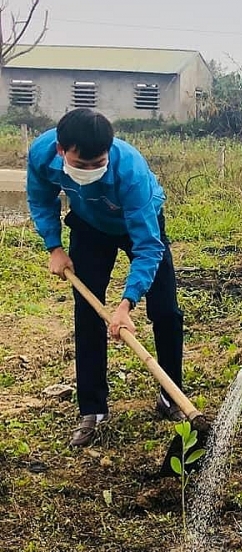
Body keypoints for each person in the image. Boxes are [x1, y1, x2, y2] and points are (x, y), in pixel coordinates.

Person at [26, 109, 185, 447]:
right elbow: (41, 198)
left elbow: (147, 247)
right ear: (60, 150)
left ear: (108, 152)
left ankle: (171, 396)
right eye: (80, 165)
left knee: (166, 311)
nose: (89, 171)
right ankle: (92, 409)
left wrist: (126, 304)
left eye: (97, 163)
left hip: (137, 223)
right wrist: (54, 246)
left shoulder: (130, 170)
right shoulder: (42, 154)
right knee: (87, 312)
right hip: (89, 225)